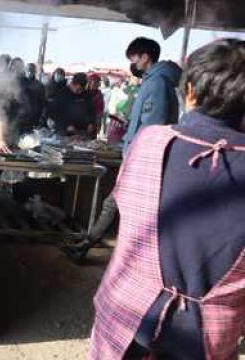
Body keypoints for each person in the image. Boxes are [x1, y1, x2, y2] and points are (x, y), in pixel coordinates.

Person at [89, 38, 245, 360]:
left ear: (189, 92)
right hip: (206, 337)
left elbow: (127, 207)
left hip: (127, 314)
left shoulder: (151, 143)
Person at [63, 38, 182, 263]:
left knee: (119, 203)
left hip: (143, 157)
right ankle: (87, 246)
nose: (133, 63)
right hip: (139, 153)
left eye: (134, 58)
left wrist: (136, 153)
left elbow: (153, 127)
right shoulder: (155, 81)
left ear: (145, 57)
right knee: (116, 202)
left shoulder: (157, 83)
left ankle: (97, 248)